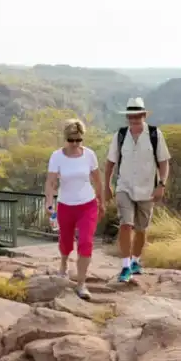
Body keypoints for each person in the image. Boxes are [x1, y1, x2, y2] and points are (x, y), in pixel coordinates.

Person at [104, 97, 171, 283]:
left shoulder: (154, 135)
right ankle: (125, 266)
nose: (133, 119)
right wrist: (107, 185)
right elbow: (110, 163)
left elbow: (164, 163)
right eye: (130, 116)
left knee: (141, 229)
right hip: (124, 187)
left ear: (143, 115)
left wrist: (161, 185)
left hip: (147, 190)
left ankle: (135, 261)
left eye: (137, 115)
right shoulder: (121, 135)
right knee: (126, 224)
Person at [45, 119, 103, 300]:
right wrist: (49, 202)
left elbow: (97, 181)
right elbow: (51, 182)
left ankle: (81, 284)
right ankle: (63, 264)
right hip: (65, 205)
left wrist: (102, 202)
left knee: (86, 241)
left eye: (79, 140)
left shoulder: (89, 155)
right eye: (71, 140)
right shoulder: (57, 156)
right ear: (65, 138)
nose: (75, 144)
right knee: (66, 241)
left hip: (87, 204)